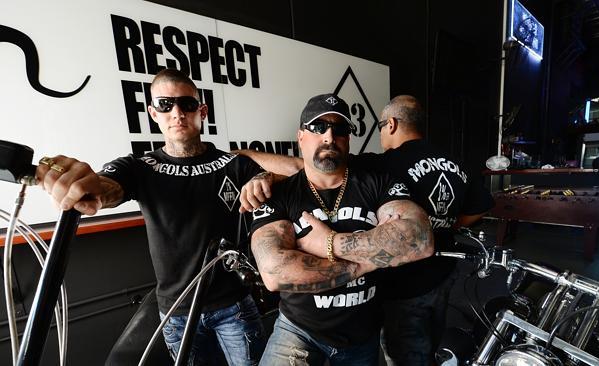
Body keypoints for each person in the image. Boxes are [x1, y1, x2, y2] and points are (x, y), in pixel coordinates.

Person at [238, 95, 494, 365]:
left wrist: (331, 243)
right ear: (301, 136)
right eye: (318, 127)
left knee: (410, 348)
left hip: (370, 323)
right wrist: (364, 263)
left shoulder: (379, 174)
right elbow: (274, 272)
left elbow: (419, 238)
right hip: (300, 330)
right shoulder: (279, 193)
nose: (328, 136)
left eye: (339, 129)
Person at [36, 68, 267, 365]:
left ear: (202, 111)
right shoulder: (141, 166)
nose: (177, 113)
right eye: (165, 105)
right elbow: (107, 187)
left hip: (233, 305)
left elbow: (292, 177)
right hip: (177, 312)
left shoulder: (234, 164)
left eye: (187, 104)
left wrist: (266, 178)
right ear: (153, 113)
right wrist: (89, 188)